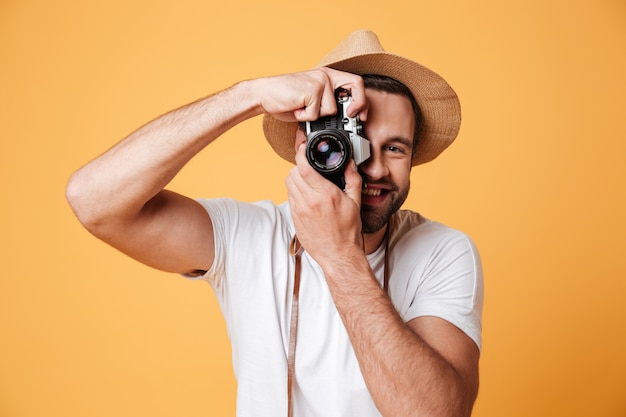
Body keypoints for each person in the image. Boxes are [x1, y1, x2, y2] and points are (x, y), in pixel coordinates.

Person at [66, 29, 484, 417]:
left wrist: (340, 255)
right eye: (351, 144)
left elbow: (437, 412)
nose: (372, 168)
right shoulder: (250, 236)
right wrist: (248, 95)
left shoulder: (441, 251)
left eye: (394, 148)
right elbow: (93, 200)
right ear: (308, 146)